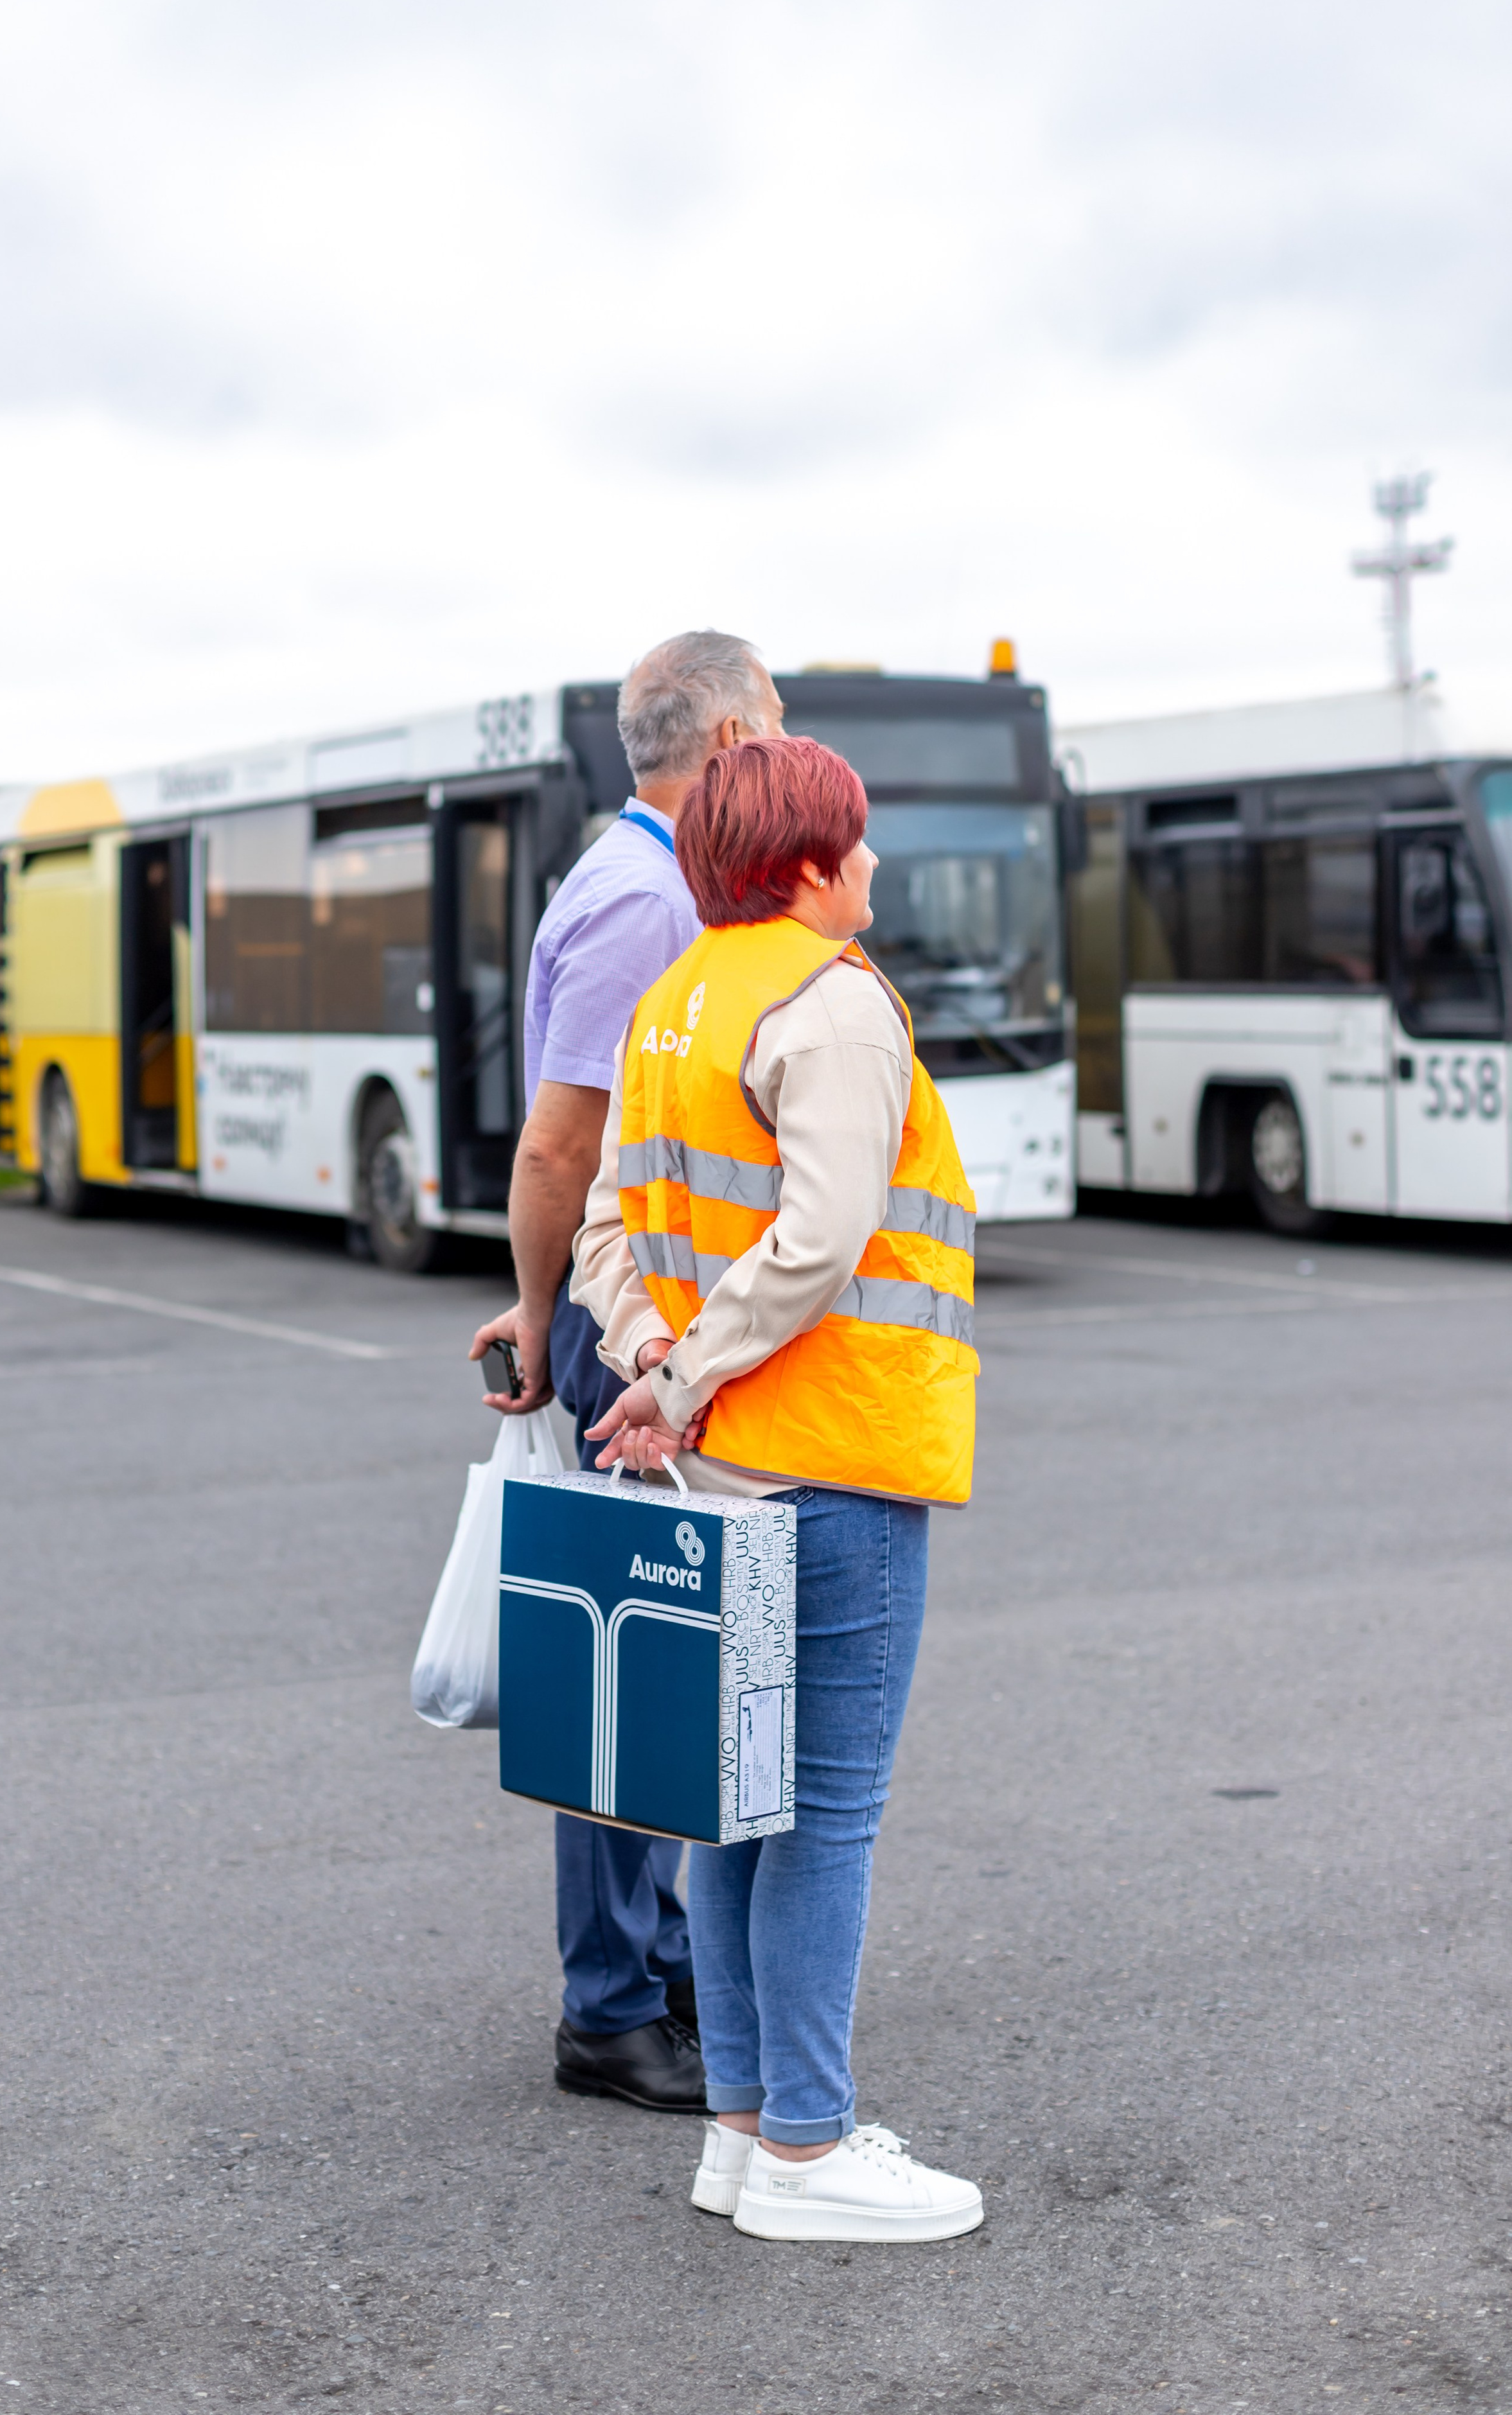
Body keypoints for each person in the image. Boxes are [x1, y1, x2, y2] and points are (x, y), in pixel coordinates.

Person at [569, 734, 987, 2242]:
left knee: (734, 1813)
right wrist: (679, 1377)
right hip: (834, 1462)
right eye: (858, 845)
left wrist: (649, 1357)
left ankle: (742, 2135)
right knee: (822, 1821)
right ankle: (809, 2148)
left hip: (722, 1473)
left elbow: (608, 1230)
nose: (871, 867)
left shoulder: (674, 1004)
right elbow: (821, 1238)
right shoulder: (837, 1003)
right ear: (811, 862)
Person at [469, 630, 786, 2113]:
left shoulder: (649, 886)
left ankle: (648, 1966)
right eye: (772, 731)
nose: (780, 759)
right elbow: (559, 1145)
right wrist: (542, 1320)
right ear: (725, 740)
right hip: (625, 1330)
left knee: (654, 1652)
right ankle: (608, 2005)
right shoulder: (644, 903)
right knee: (626, 1654)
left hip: (637, 1324)